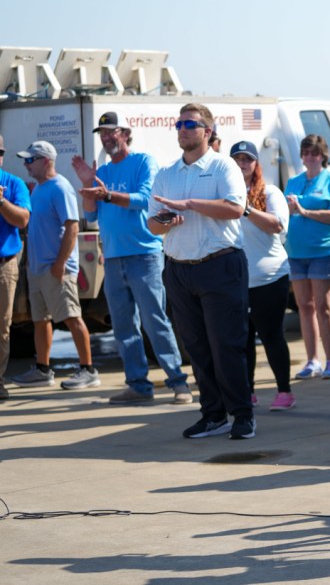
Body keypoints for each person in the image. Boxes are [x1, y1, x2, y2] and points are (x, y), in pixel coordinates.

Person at [71, 111, 192, 405]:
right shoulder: (104, 172)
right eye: (102, 133)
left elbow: (144, 200)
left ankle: (179, 383)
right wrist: (88, 186)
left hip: (144, 256)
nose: (106, 137)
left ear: (125, 133)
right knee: (124, 327)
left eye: (111, 131)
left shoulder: (143, 162)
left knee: (155, 321)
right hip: (113, 259)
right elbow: (90, 215)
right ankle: (138, 386)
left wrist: (106, 195)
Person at [150, 103, 253, 440]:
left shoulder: (223, 166)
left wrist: (190, 205)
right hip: (179, 270)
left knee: (226, 346)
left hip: (220, 265)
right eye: (179, 124)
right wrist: (166, 220)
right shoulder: (167, 173)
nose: (182, 129)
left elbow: (236, 208)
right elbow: (152, 225)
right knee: (196, 348)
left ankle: (242, 415)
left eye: (190, 124)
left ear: (207, 131)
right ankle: (213, 415)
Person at [10, 141, 97, 391]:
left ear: (46, 160)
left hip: (56, 269)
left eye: (31, 160)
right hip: (38, 269)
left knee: (71, 317)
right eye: (26, 160)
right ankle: (43, 369)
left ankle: (88, 370)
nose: (26, 165)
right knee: (40, 320)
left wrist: (60, 263)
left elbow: (72, 227)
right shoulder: (39, 189)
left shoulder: (60, 187)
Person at [230, 141, 294, 411]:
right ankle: (248, 392)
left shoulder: (270, 192)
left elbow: (277, 225)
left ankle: (284, 391)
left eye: (248, 159)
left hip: (270, 277)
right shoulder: (224, 194)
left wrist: (245, 208)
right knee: (242, 340)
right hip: (237, 280)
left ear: (256, 164)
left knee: (271, 336)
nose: (242, 164)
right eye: (237, 159)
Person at [284, 134, 330, 381]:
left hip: (324, 251)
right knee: (305, 307)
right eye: (306, 153)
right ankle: (312, 360)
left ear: (323, 156)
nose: (310, 157)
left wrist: (304, 211)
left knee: (323, 307)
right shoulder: (293, 182)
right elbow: (284, 214)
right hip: (296, 252)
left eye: (315, 153)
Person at [0, 135, 30, 400]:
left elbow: (22, 220)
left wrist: (1, 203)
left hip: (4, 266)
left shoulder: (13, 183)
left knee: (2, 327)